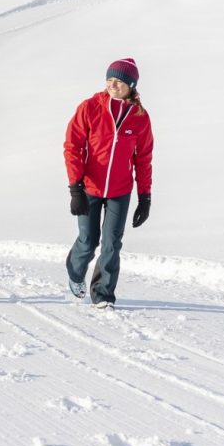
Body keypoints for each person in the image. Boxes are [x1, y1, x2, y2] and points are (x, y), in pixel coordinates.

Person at [64, 57, 154, 308]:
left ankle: (103, 293)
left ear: (131, 85)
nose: (112, 85)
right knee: (88, 240)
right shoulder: (90, 107)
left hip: (120, 190)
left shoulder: (140, 117)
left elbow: (144, 158)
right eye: (109, 80)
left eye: (119, 81)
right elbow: (72, 147)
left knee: (112, 243)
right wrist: (75, 188)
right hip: (89, 187)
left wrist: (144, 197)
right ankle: (74, 269)